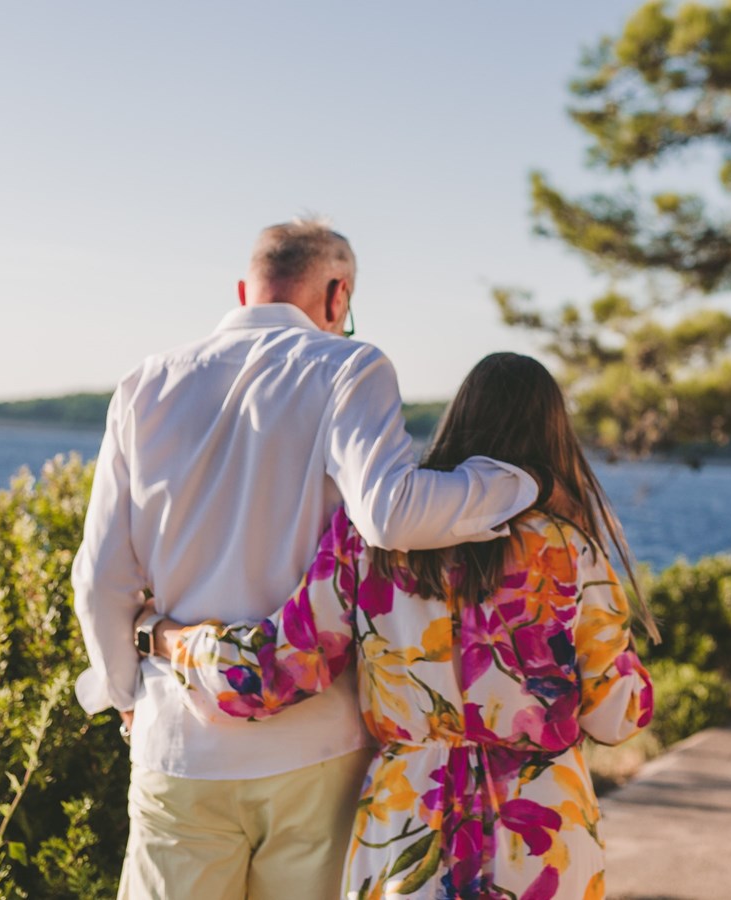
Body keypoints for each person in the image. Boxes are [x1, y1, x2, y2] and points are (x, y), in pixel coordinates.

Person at [71, 219, 539, 900]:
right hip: (314, 745)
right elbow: (392, 513)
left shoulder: (145, 383)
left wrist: (126, 698)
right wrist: (520, 482)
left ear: (244, 288)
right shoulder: (349, 365)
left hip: (179, 743)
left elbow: (100, 577)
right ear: (337, 293)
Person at [150, 352, 656, 900]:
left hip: (408, 820)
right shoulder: (570, 548)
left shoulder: (370, 541)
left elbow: (276, 671)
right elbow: (618, 716)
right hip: (543, 833)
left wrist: (169, 640)